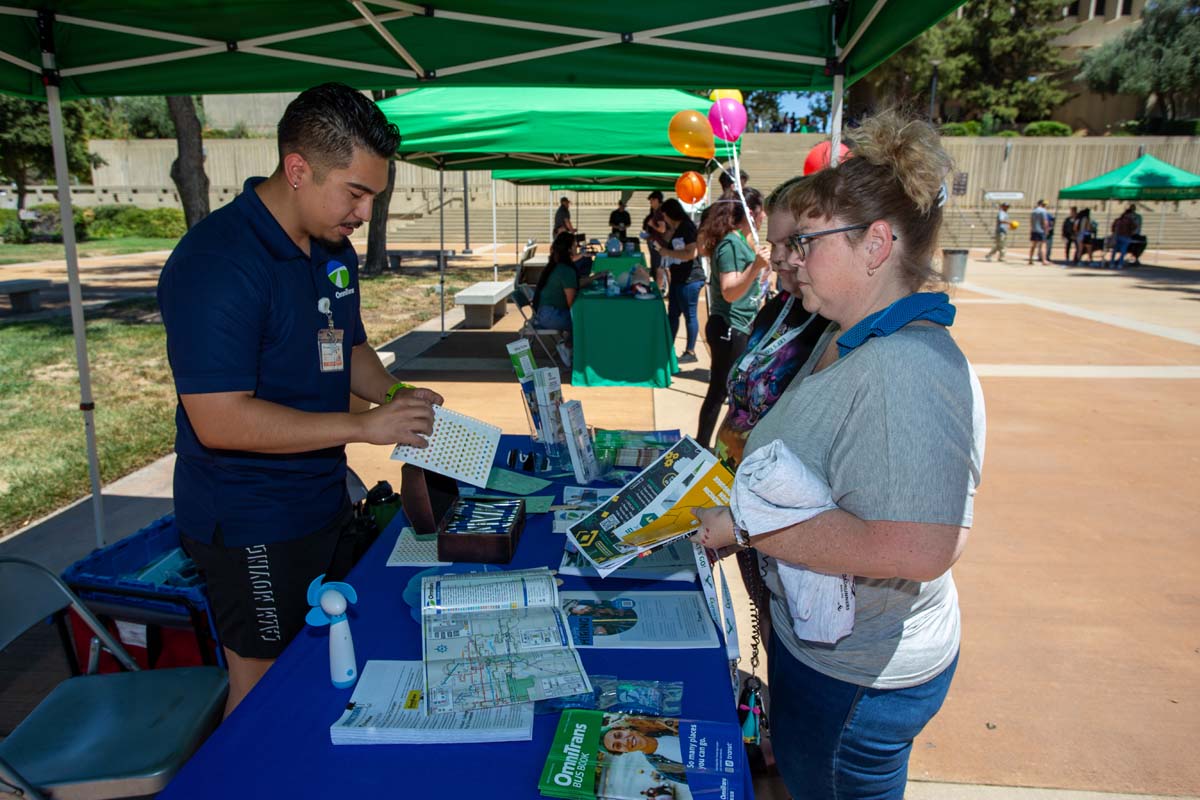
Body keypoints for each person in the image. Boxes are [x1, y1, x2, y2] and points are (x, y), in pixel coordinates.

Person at [689, 110, 986, 800]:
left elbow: (922, 547)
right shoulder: (844, 332)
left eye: (809, 243)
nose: (790, 259)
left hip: (860, 672)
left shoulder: (905, 366)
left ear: (876, 244)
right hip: (829, 650)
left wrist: (744, 526)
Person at [157, 83, 443, 717]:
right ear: (297, 170)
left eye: (374, 195)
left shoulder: (331, 249)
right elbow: (219, 419)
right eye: (356, 192)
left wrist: (397, 395)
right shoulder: (217, 263)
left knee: (323, 662)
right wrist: (365, 427)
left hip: (319, 499)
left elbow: (350, 349)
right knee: (260, 687)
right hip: (248, 515)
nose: (365, 212)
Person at [695, 187, 770, 449]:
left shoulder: (742, 242)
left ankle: (706, 445)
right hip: (729, 326)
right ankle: (702, 446)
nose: (764, 218)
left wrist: (761, 270)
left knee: (726, 391)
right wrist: (756, 267)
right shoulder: (730, 244)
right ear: (751, 213)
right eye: (762, 212)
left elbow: (748, 285)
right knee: (719, 391)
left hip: (741, 325)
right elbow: (729, 291)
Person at [653, 199, 703, 364]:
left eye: (665, 215)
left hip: (690, 279)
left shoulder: (687, 228)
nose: (664, 219)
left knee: (690, 315)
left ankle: (690, 351)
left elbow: (691, 253)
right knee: (673, 314)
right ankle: (668, 347)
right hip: (678, 278)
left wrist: (667, 252)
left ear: (670, 213)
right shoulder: (677, 228)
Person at [642, 190, 669, 286]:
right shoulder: (660, 211)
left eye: (651, 201)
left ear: (657, 200)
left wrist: (652, 224)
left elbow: (662, 229)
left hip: (659, 244)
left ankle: (659, 289)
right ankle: (664, 289)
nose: (651, 203)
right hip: (659, 243)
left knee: (659, 267)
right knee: (662, 267)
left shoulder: (660, 212)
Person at [1028, 199, 1050, 265]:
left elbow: (1031, 221)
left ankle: (1030, 259)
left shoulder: (1034, 211)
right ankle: (1044, 260)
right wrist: (1046, 230)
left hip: (1034, 230)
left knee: (1033, 245)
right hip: (1041, 230)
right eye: (1044, 204)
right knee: (1043, 245)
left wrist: (1031, 229)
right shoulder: (1043, 211)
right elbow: (1045, 221)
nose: (1045, 206)